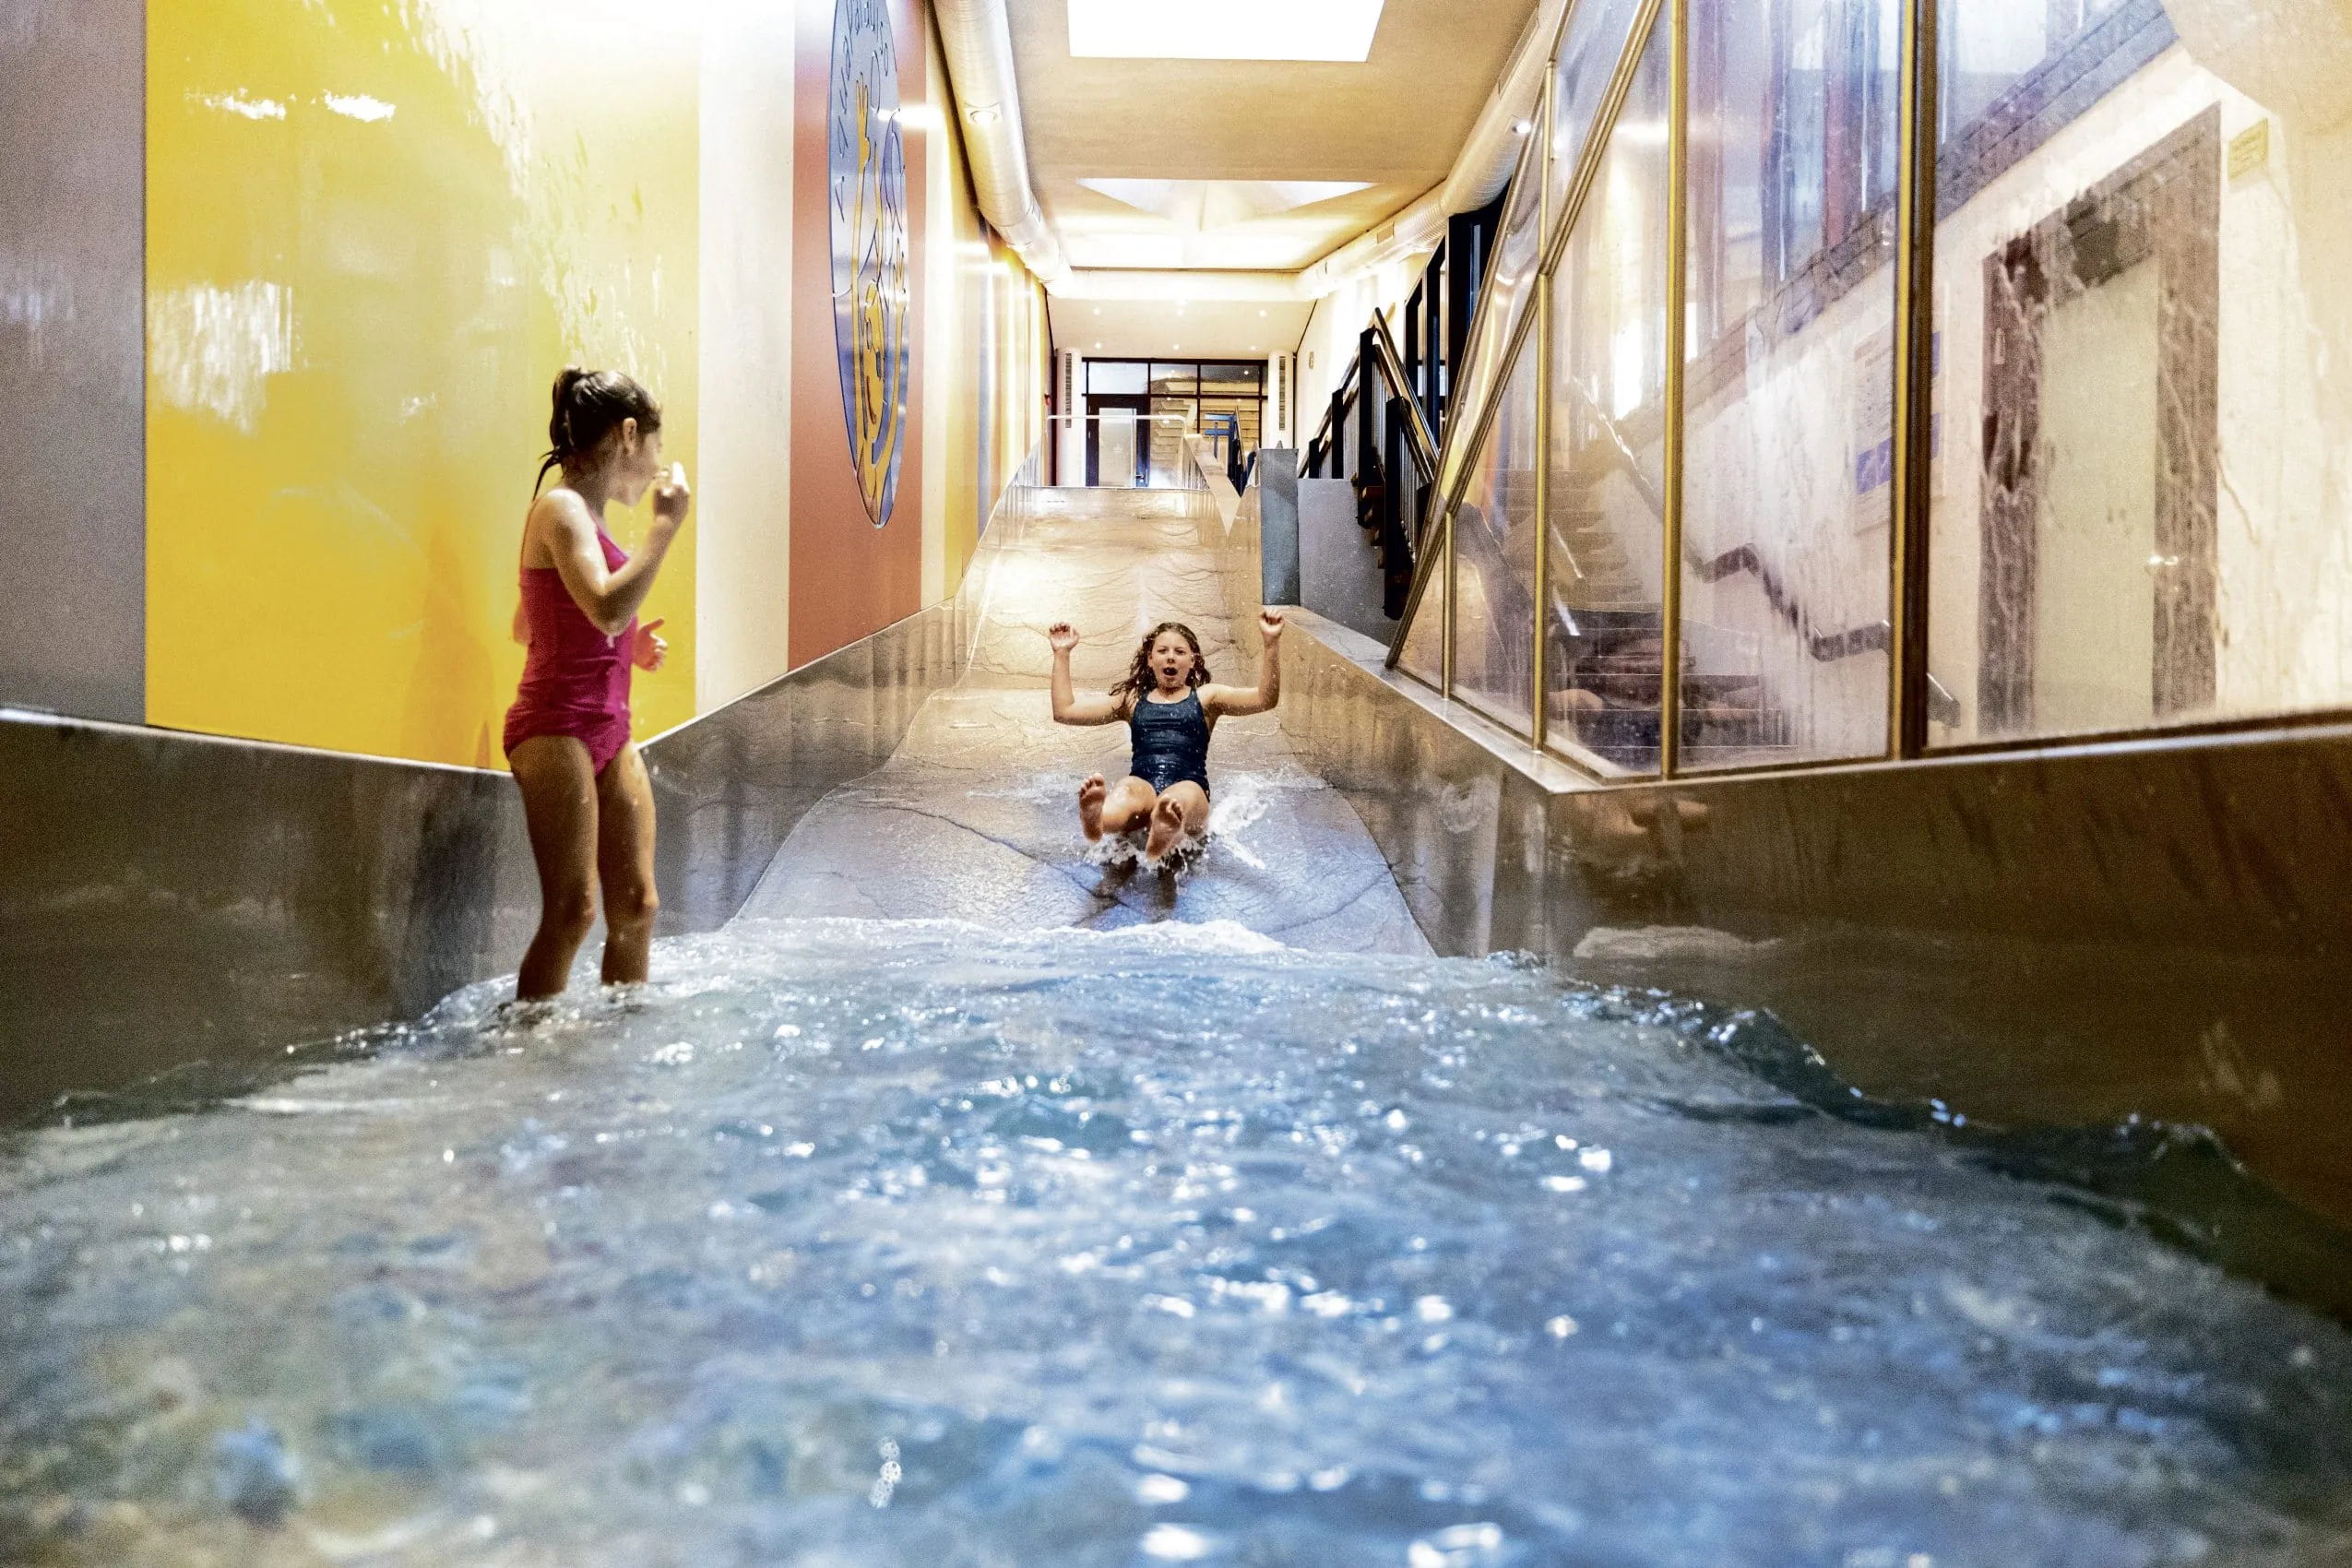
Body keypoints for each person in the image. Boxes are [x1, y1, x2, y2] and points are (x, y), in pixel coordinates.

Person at [504, 367, 691, 999]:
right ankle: (529, 1041)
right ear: (629, 434)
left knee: (637, 904)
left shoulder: (588, 517)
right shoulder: (560, 508)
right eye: (656, 447)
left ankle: (623, 1038)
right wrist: (664, 529)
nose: (657, 466)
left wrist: (622, 646)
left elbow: (526, 624)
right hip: (554, 726)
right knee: (573, 910)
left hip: (610, 728)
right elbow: (607, 607)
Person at [1046, 611, 1285, 863]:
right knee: (1127, 790)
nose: (1171, 656)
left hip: (1190, 786)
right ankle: (1098, 819)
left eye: (1180, 652)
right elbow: (1066, 712)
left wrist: (1271, 644)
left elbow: (1264, 699)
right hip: (1144, 784)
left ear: (1192, 661)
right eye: (1162, 651)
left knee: (1178, 799)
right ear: (1150, 659)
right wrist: (1062, 653)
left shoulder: (1207, 698)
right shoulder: (1132, 699)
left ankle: (1166, 828)